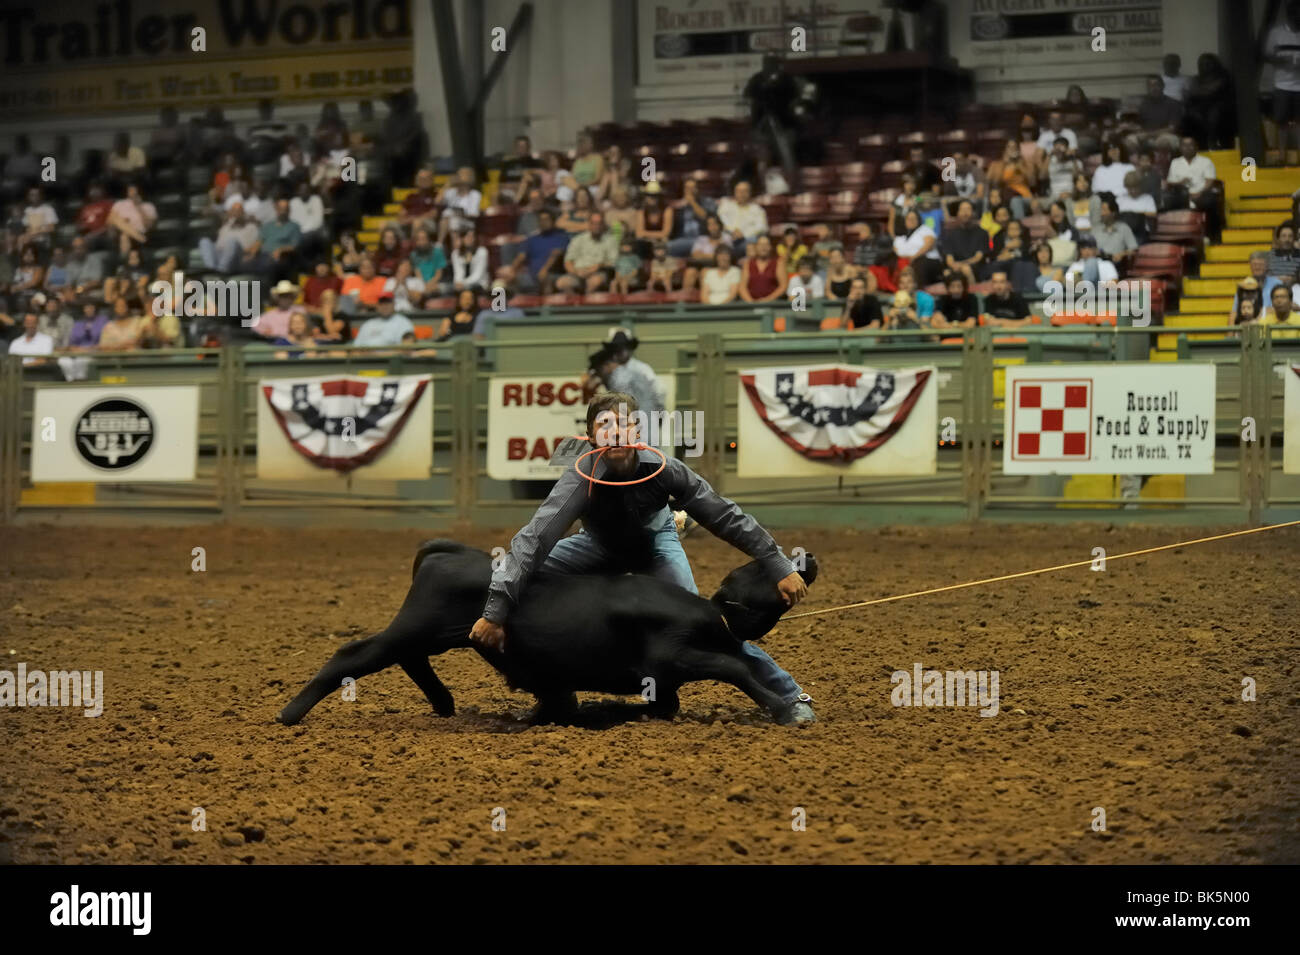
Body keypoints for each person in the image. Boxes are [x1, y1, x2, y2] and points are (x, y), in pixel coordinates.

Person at [467, 390, 816, 726]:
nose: (615, 433)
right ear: (590, 438)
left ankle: (788, 696)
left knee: (699, 625)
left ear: (638, 432)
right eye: (605, 426)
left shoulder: (666, 470)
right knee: (522, 580)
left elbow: (725, 516)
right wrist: (495, 610)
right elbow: (535, 539)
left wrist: (779, 564)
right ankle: (553, 691)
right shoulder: (580, 477)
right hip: (595, 546)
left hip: (656, 547)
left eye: (624, 424)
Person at [582, 329, 666, 414]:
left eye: (624, 347)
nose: (621, 351)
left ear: (630, 348)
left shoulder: (641, 369)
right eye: (617, 348)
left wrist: (658, 411)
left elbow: (660, 390)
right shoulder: (611, 371)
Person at [1264, 0, 1300, 165]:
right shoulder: (1277, 33)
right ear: (1290, 14)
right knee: (1282, 121)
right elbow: (1267, 56)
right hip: (1282, 84)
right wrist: (1281, 60)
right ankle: (1281, 155)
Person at [1166, 136, 1221, 243]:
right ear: (1180, 148)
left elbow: (1210, 180)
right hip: (1182, 195)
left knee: (1210, 201)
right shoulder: (1175, 162)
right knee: (1168, 202)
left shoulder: (1206, 162)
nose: (1187, 148)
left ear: (1196, 147)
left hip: (1201, 193)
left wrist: (1199, 192)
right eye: (1184, 145)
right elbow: (1170, 181)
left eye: (1190, 145)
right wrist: (1180, 182)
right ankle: (1177, 237)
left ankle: (1212, 235)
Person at [556, 212, 619, 294]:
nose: (597, 226)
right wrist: (576, 272)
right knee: (562, 283)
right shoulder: (578, 239)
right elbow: (568, 260)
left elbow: (613, 261)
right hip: (577, 272)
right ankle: (575, 304)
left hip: (599, 272)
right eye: (594, 223)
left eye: (599, 223)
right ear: (589, 224)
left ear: (603, 225)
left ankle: (586, 304)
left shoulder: (611, 240)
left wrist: (597, 266)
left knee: (594, 282)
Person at [940, 199, 989, 286]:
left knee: (966, 269)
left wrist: (962, 265)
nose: (965, 213)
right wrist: (955, 265)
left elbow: (978, 257)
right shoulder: (950, 233)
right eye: (962, 210)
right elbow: (949, 258)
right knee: (947, 272)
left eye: (968, 209)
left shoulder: (982, 233)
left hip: (976, 267)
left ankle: (973, 295)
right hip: (956, 266)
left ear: (974, 213)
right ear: (958, 213)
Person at [716, 180, 769, 255]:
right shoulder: (726, 206)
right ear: (735, 192)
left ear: (749, 193)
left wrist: (743, 234)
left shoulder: (757, 210)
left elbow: (762, 227)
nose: (742, 194)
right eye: (739, 191)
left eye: (745, 191)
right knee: (722, 239)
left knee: (753, 242)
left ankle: (749, 265)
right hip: (729, 238)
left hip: (746, 240)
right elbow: (720, 220)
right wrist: (733, 231)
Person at [893, 209, 941, 287]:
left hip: (926, 260)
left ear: (918, 220)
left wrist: (914, 257)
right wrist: (907, 259)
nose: (911, 221)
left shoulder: (925, 229)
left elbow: (928, 245)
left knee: (919, 263)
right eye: (908, 218)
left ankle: (919, 289)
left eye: (914, 218)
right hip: (905, 261)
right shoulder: (900, 236)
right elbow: (896, 251)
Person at [738, 234, 786, 303]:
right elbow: (742, 287)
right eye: (760, 244)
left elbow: (783, 286)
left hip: (773, 304)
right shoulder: (748, 264)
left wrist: (767, 300)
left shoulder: (778, 262)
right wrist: (751, 302)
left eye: (766, 244)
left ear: (770, 247)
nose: (763, 247)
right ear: (756, 247)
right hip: (751, 305)